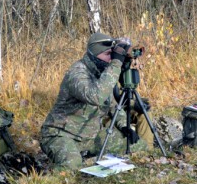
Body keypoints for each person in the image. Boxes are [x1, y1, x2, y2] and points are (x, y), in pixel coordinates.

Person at [40, 32, 153, 171]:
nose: (111, 59)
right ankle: (44, 179)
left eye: (113, 55)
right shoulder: (77, 73)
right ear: (94, 54)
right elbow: (96, 96)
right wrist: (116, 63)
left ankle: (89, 158)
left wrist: (125, 126)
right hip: (61, 135)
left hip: (91, 138)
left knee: (138, 146)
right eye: (108, 54)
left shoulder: (103, 73)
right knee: (72, 166)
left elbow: (112, 106)